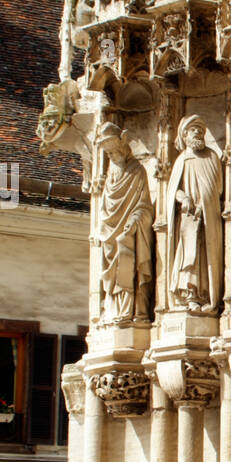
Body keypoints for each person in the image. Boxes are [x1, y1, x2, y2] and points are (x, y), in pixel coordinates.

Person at [96, 123, 153, 323]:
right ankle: (111, 309)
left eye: (114, 151)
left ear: (123, 148)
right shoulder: (110, 178)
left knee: (129, 264)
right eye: (108, 153)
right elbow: (104, 209)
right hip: (109, 234)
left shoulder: (137, 172)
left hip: (129, 235)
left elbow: (145, 206)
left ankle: (131, 312)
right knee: (112, 271)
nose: (111, 156)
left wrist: (135, 220)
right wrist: (102, 228)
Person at [166, 115, 223, 313]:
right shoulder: (182, 160)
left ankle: (206, 294)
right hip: (188, 218)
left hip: (208, 216)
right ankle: (190, 295)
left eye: (200, 129)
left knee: (205, 255)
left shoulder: (212, 157)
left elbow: (218, 188)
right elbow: (174, 190)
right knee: (189, 256)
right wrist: (185, 199)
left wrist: (205, 204)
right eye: (193, 129)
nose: (198, 132)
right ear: (184, 134)